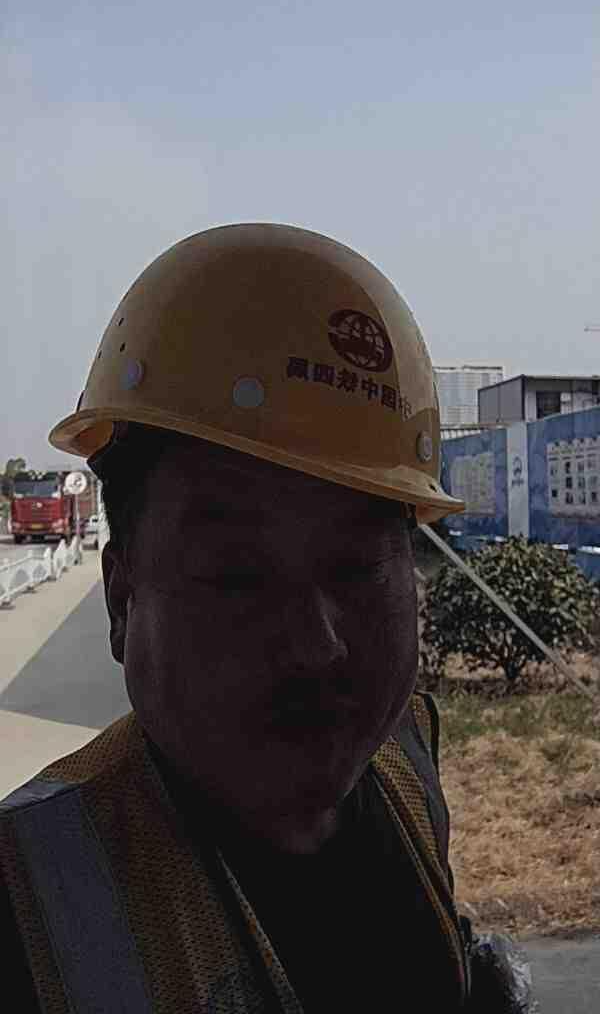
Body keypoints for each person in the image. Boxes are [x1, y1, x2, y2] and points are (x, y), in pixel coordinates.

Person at [0, 224, 472, 1012]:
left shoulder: (406, 758)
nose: (317, 645)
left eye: (357, 567)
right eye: (238, 576)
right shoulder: (28, 900)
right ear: (121, 600)